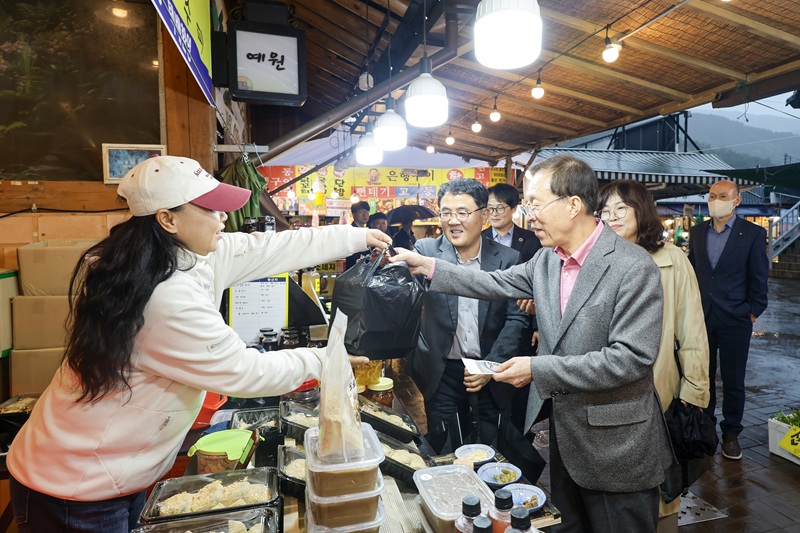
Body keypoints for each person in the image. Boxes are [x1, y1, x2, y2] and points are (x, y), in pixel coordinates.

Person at [6, 156, 390, 532]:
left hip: (117, 470)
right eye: (210, 209)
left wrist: (357, 237)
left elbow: (271, 247)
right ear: (167, 219)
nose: (222, 218)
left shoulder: (179, 254)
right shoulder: (163, 295)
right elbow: (245, 372)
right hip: (75, 483)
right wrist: (328, 359)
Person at [391, 155, 672, 532]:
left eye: (535, 203)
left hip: (616, 445)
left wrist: (536, 368)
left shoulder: (632, 266)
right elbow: (492, 283)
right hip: (566, 436)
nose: (529, 214)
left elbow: (631, 359)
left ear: (573, 204)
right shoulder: (547, 261)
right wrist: (426, 266)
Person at [598, 180, 709, 533]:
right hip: (605, 388)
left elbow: (691, 329)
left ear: (640, 211)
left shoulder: (672, 260)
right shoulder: (596, 259)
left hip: (656, 389)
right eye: (605, 210)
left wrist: (695, 391)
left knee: (661, 488)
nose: (612, 216)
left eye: (621, 208)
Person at [406, 178, 529, 456]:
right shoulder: (426, 252)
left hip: (490, 369)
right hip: (441, 372)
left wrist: (490, 367)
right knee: (445, 448)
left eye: (462, 212)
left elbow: (516, 319)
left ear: (484, 215)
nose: (453, 221)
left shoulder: (509, 258)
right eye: (446, 212)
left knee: (489, 450)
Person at [688, 179, 769, 460]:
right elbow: (693, 271)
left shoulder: (753, 234)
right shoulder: (698, 232)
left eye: (723, 195)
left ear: (736, 201)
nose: (716, 199)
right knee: (703, 375)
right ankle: (706, 429)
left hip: (736, 318)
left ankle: (731, 433)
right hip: (703, 316)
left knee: (734, 379)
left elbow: (760, 277)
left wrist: (753, 310)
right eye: (712, 195)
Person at [483, 183, 542, 263]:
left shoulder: (532, 240)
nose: (494, 213)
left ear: (514, 209)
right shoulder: (478, 239)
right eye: (490, 208)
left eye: (500, 208)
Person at [345, 200, 372, 269]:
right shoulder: (350, 231)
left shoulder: (367, 230)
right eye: (360, 212)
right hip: (354, 269)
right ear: (353, 214)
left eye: (366, 212)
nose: (364, 215)